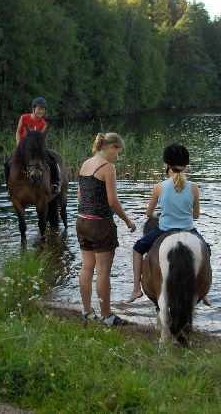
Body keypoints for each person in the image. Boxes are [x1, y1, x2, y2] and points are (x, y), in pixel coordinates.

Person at [126, 143, 206, 303]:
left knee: (137, 249)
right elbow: (196, 215)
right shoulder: (194, 187)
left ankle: (136, 290)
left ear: (166, 164)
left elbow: (148, 213)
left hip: (164, 230)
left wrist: (158, 217)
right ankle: (203, 292)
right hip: (189, 230)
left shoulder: (159, 187)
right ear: (185, 166)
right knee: (206, 251)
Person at [77, 132, 136, 326]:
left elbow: (80, 197)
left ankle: (86, 312)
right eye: (117, 152)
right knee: (103, 272)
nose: (117, 157)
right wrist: (128, 221)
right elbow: (112, 202)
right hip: (100, 224)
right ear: (110, 147)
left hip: (82, 222)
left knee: (86, 267)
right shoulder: (107, 168)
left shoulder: (85, 164)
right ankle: (106, 316)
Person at [4, 97, 60, 195]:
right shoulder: (24, 118)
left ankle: (56, 183)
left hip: (37, 149)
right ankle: (9, 187)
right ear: (34, 108)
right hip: (23, 148)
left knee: (52, 160)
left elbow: (42, 138)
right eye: (39, 108)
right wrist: (18, 144)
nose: (41, 111)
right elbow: (18, 132)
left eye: (43, 109)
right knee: (7, 163)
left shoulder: (43, 123)